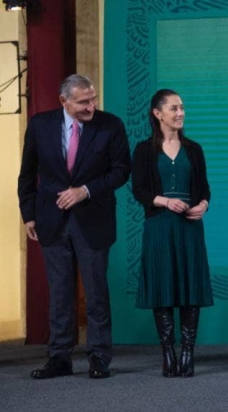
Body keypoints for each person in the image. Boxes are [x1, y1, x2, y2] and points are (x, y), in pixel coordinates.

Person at [17, 74, 131, 379]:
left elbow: (121, 171)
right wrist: (29, 215)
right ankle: (59, 358)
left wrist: (85, 190)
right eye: (83, 101)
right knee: (60, 293)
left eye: (93, 99)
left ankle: (99, 357)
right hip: (51, 221)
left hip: (93, 219)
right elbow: (27, 174)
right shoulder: (40, 125)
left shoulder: (111, 125)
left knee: (95, 292)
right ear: (64, 101)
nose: (91, 106)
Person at [131, 89, 213, 378]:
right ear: (157, 113)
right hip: (159, 226)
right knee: (163, 287)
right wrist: (165, 201)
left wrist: (202, 205)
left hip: (189, 227)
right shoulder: (143, 150)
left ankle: (188, 352)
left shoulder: (194, 149)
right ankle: (168, 352)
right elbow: (139, 190)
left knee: (190, 288)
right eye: (174, 108)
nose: (180, 113)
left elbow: (204, 190)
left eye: (182, 107)